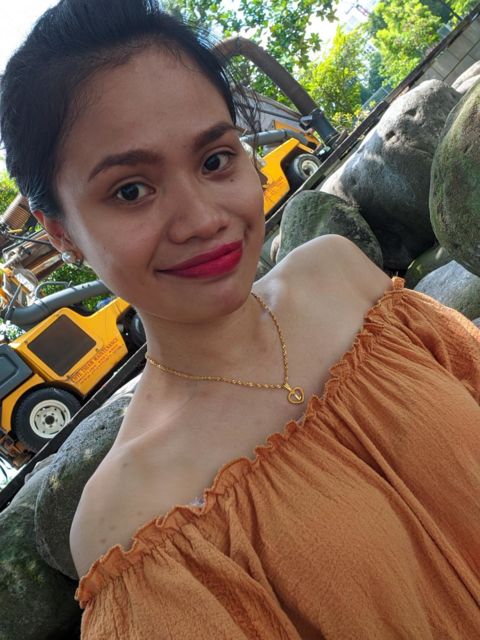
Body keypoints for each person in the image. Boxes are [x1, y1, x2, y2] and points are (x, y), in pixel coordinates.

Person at [1, 1, 479, 638]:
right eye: (131, 190)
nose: (203, 219)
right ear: (63, 235)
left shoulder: (340, 274)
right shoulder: (128, 521)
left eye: (214, 160)